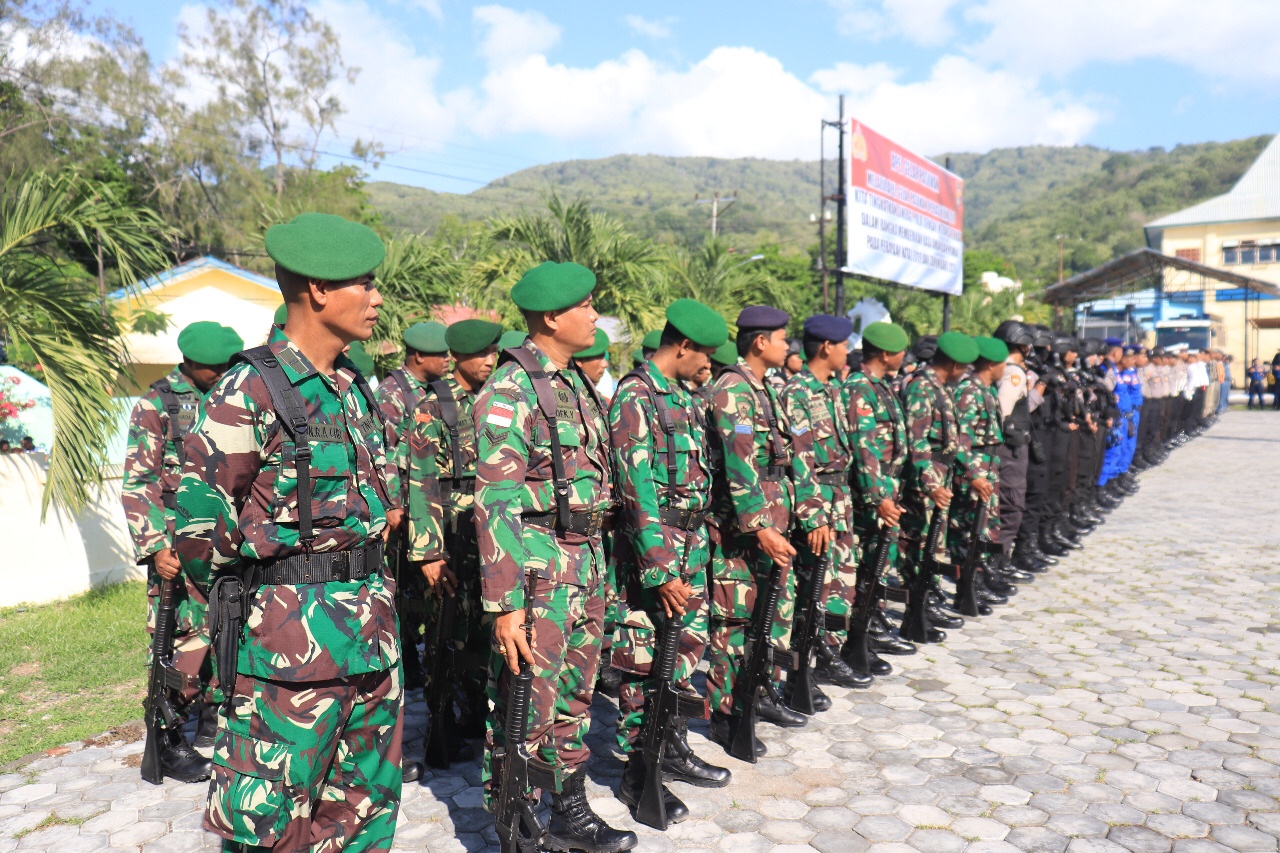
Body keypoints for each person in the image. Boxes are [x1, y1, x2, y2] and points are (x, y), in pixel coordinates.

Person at [175, 212, 404, 851]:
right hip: (285, 661)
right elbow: (197, 530)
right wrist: (255, 600)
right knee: (272, 833)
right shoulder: (249, 388)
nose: (377, 297)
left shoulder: (355, 389)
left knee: (363, 820)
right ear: (319, 291)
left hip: (371, 647)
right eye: (365, 284)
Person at [474, 262, 637, 853]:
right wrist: (505, 603)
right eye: (586, 306)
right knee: (526, 701)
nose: (595, 316)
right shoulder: (510, 391)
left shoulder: (571, 385)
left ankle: (569, 809)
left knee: (574, 694)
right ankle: (516, 825)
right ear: (551, 317)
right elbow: (495, 503)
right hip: (540, 571)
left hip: (583, 563)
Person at [608, 299, 732, 826]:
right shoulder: (635, 398)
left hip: (692, 545)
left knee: (682, 653)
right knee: (646, 663)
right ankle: (640, 770)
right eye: (702, 353)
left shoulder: (682, 396)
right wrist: (658, 569)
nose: (708, 364)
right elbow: (638, 492)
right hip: (655, 558)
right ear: (680, 346)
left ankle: (671, 747)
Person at [122, 320, 243, 782]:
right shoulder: (156, 405)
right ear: (192, 363)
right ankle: (168, 737)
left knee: (225, 627)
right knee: (177, 641)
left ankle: (215, 720)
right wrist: (154, 548)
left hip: (220, 543)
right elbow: (137, 484)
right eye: (216, 368)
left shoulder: (229, 397)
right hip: (174, 545)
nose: (224, 373)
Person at [705, 305, 806, 757]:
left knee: (766, 620)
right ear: (761, 342)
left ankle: (757, 693)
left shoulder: (761, 387)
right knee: (734, 623)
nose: (789, 346)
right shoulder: (734, 391)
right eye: (783, 338)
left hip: (768, 526)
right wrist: (760, 524)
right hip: (742, 534)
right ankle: (727, 716)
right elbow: (739, 462)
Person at [405, 318, 504, 768]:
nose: (490, 361)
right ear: (458, 357)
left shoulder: (500, 399)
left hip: (490, 538)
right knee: (447, 635)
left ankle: (472, 714)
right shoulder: (433, 406)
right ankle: (439, 724)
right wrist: (427, 550)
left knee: (485, 633)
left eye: (493, 352)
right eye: (481, 354)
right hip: (450, 538)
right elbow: (421, 481)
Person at [779, 314, 869, 698]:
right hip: (817, 500)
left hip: (839, 497)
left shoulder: (832, 389)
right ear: (826, 347)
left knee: (839, 583)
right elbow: (799, 459)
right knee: (810, 587)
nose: (848, 352)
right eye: (844, 345)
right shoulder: (797, 392)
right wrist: (814, 515)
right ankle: (802, 665)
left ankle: (828, 651)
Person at [899, 331, 986, 643]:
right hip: (926, 486)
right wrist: (931, 484)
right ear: (952, 364)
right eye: (963, 367)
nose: (965, 373)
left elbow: (951, 443)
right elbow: (917, 443)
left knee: (932, 550)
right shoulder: (922, 387)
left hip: (941, 479)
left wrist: (972, 473)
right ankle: (914, 615)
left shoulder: (941, 388)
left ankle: (924, 606)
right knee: (918, 551)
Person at [377, 321, 448, 693]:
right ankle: (404, 657)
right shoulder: (392, 393)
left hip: (424, 504)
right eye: (441, 354)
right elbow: (382, 452)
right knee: (402, 587)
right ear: (419, 356)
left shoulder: (432, 391)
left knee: (420, 591)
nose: (448, 360)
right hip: (402, 506)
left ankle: (418, 653)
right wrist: (392, 503)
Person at [841, 322, 914, 677]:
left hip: (886, 490)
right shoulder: (859, 388)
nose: (904, 356)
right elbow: (864, 447)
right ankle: (855, 642)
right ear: (886, 354)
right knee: (864, 571)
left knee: (878, 568)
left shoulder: (879, 387)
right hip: (870, 498)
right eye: (900, 351)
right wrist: (878, 497)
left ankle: (868, 634)